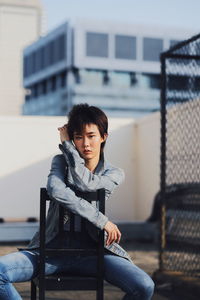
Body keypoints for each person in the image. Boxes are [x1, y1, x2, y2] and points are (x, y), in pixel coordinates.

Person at [0, 104, 154, 299]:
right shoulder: (60, 162)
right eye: (78, 137)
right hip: (51, 252)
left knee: (144, 285)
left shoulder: (114, 173)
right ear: (72, 140)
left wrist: (68, 147)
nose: (85, 144)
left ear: (103, 137)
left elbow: (87, 184)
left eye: (91, 136)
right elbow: (56, 191)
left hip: (95, 254)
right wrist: (102, 220)